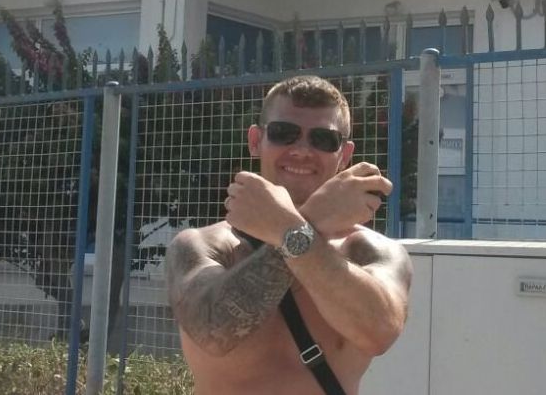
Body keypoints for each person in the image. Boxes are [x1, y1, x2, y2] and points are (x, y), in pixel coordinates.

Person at [165, 75, 413, 395]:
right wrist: (313, 221)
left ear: (345, 154)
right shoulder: (204, 245)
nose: (301, 150)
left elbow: (379, 331)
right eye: (284, 133)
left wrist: (293, 226)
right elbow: (213, 332)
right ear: (256, 141)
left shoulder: (370, 250)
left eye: (323, 139)